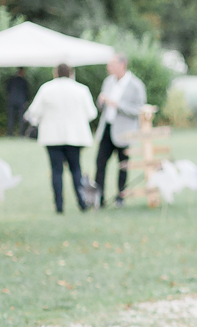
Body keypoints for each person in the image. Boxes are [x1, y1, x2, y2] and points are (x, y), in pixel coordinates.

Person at [24, 63, 97, 214]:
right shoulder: (81, 89)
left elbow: (33, 112)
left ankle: (59, 206)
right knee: (76, 169)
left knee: (56, 171)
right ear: (71, 73)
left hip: (52, 136)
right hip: (75, 137)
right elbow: (91, 114)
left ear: (55, 73)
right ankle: (82, 203)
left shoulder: (46, 89)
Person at [94, 54, 146, 208]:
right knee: (100, 163)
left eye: (111, 65)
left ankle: (120, 198)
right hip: (107, 128)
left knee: (123, 166)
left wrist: (117, 104)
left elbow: (139, 109)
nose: (108, 68)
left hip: (124, 132)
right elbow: (101, 106)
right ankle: (99, 198)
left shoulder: (135, 85)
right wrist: (102, 101)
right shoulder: (108, 81)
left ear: (122, 65)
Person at [5, 68, 31, 136]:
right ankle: (21, 133)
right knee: (21, 118)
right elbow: (27, 92)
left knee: (11, 117)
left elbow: (7, 89)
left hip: (12, 100)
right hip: (21, 101)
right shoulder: (24, 81)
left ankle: (10, 133)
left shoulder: (11, 80)